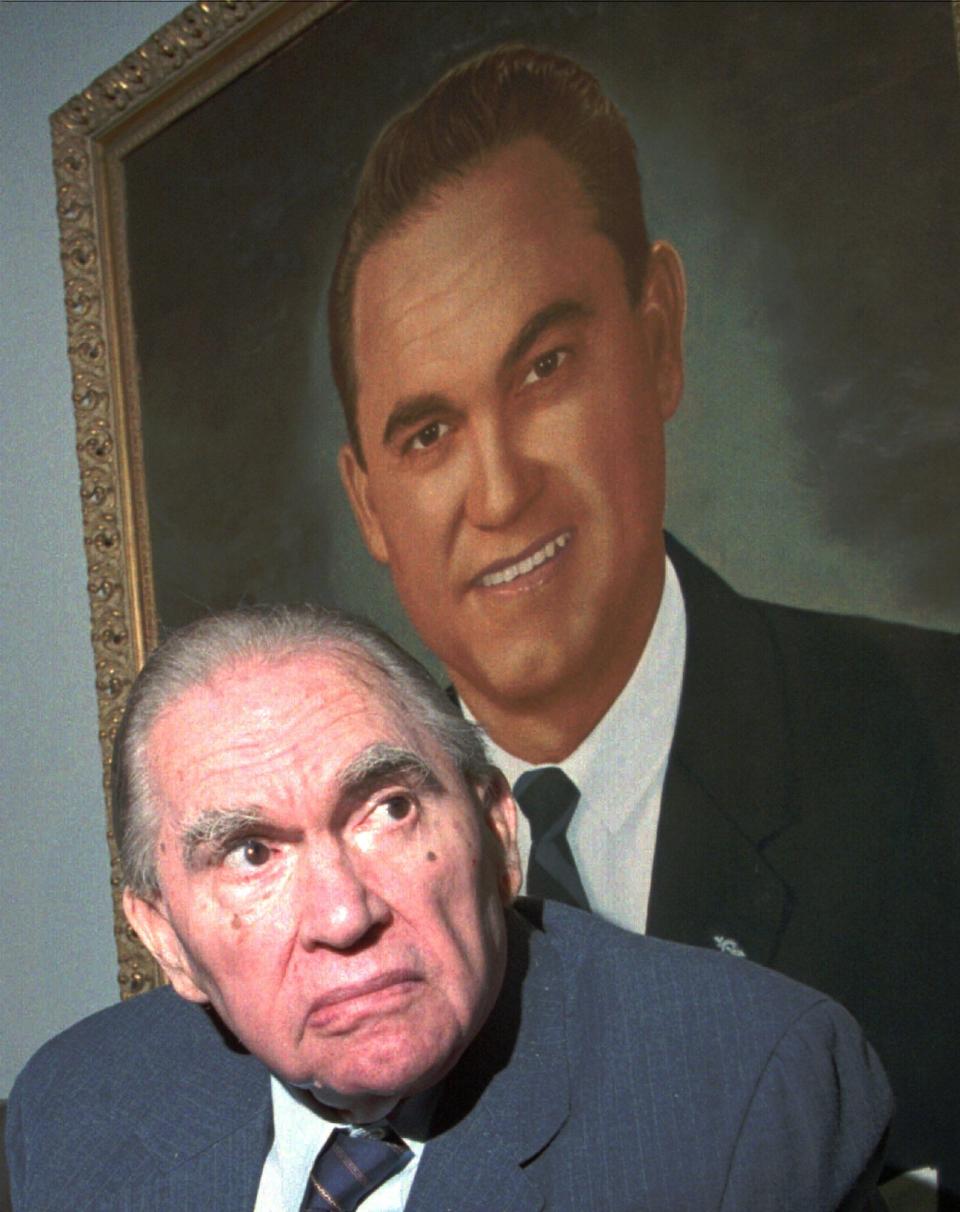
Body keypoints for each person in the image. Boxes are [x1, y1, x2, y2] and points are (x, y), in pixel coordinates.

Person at [329, 46, 960, 1206]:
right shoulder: (327, 907)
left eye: (545, 366)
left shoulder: (939, 752)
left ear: (659, 334)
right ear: (370, 502)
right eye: (427, 435)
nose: (501, 491)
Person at [7, 606, 892, 1210]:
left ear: (500, 832)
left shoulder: (747, 1096)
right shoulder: (74, 1108)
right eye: (252, 854)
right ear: (166, 939)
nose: (344, 915)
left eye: (388, 809)